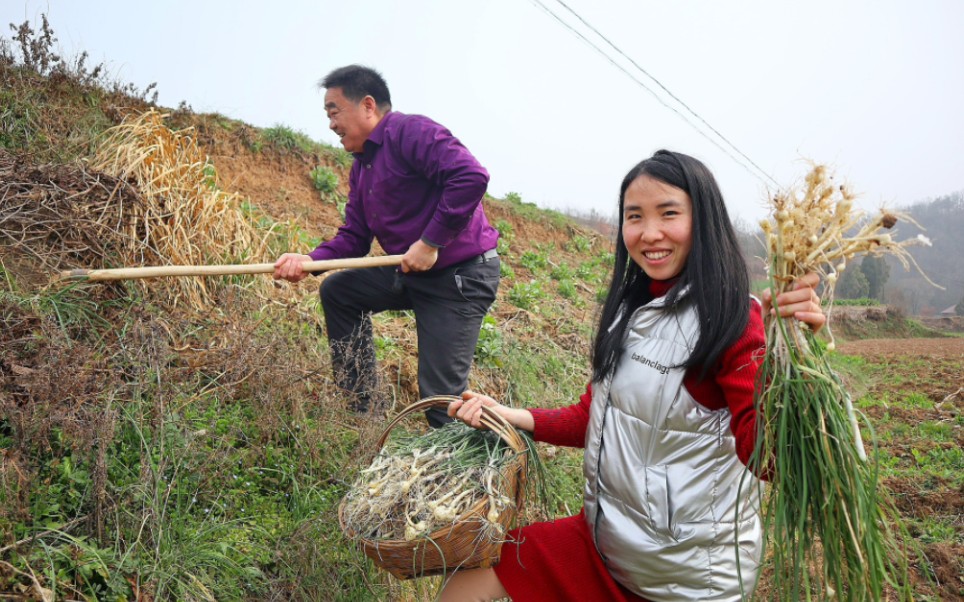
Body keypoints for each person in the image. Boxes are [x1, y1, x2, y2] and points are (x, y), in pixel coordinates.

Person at [441, 150, 827, 601]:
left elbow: (768, 457)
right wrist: (509, 414)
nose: (649, 233)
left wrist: (794, 365)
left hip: (681, 579)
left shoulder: (732, 319)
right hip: (606, 544)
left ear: (703, 220)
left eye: (668, 214)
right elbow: (597, 418)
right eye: (634, 217)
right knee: (468, 578)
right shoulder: (631, 310)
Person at [273, 65, 500, 427]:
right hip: (413, 273)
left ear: (367, 105)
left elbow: (471, 177)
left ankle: (468, 471)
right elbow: (355, 238)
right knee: (340, 291)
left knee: (440, 400)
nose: (331, 123)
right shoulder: (362, 168)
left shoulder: (410, 132)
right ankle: (363, 417)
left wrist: (430, 241)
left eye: (334, 111)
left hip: (460, 277)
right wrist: (310, 261)